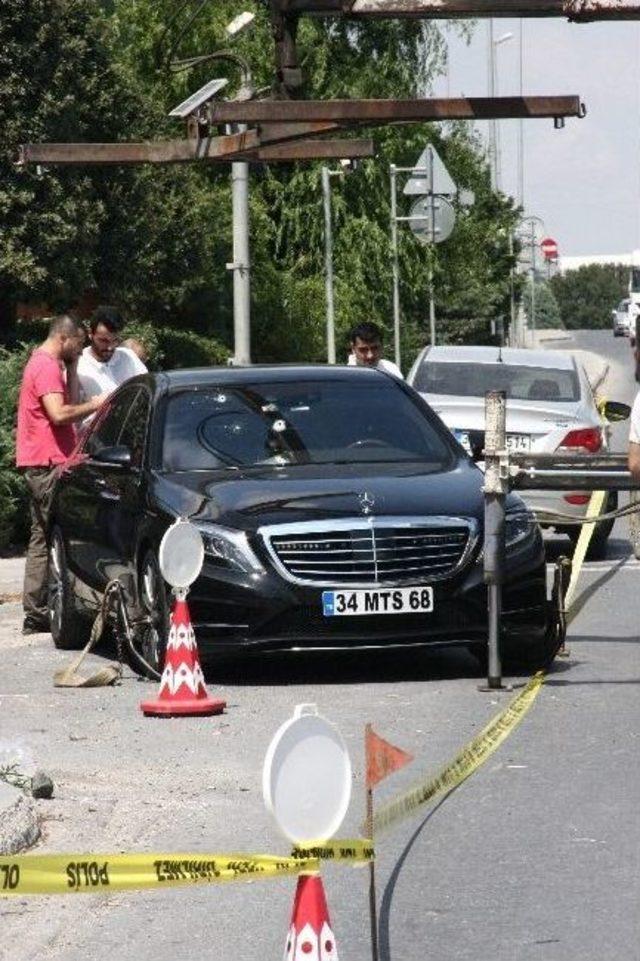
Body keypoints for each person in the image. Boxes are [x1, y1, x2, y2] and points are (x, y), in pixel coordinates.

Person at [16, 314, 107, 634]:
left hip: (48, 461)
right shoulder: (44, 366)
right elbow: (60, 414)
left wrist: (72, 367)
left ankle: (36, 611)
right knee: (64, 533)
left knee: (42, 536)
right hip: (48, 464)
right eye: (78, 345)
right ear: (64, 339)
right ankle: (56, 606)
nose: (81, 350)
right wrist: (97, 404)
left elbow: (65, 403)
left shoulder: (53, 365)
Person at [77, 306, 147, 405]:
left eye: (115, 340)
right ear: (90, 334)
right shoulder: (78, 366)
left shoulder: (129, 356)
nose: (110, 347)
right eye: (103, 341)